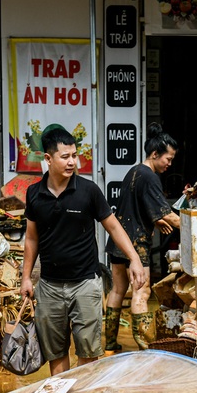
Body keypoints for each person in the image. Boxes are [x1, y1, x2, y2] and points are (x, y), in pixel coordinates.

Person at [20, 126, 145, 375]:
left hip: (85, 284)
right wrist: (25, 277)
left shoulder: (88, 191)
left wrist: (135, 259)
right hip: (49, 287)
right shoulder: (34, 194)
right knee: (56, 355)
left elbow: (114, 226)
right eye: (65, 156)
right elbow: (32, 239)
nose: (72, 162)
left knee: (88, 355)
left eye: (74, 155)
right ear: (48, 159)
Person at [104, 123, 181, 351]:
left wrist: (155, 220)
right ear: (155, 154)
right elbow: (170, 215)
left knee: (118, 290)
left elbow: (135, 207)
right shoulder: (150, 177)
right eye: (168, 159)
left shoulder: (134, 171)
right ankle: (145, 347)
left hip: (119, 241)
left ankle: (109, 343)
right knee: (142, 291)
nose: (169, 164)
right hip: (137, 244)